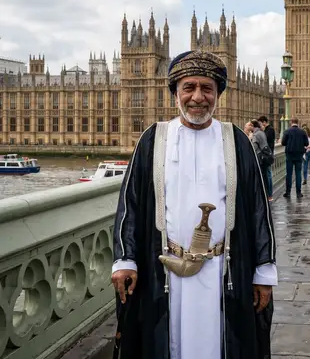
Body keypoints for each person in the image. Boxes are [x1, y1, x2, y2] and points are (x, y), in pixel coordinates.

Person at [111, 50, 276, 359]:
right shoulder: (153, 138)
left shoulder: (237, 140)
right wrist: (125, 259)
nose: (197, 97)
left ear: (217, 95)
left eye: (207, 88)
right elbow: (129, 205)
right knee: (167, 344)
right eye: (189, 87)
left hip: (222, 270)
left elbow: (258, 210)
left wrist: (263, 273)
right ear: (175, 92)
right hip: (166, 269)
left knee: (222, 344)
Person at [281, 118, 308, 199]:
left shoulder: (287, 131)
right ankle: (298, 193)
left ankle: (288, 192)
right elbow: (306, 143)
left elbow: (283, 143)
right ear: (297, 122)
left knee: (289, 174)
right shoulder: (302, 132)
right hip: (299, 154)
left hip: (289, 154)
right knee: (298, 173)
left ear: (291, 122)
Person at [249, 119, 274, 201]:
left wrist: (250, 139)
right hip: (267, 156)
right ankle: (269, 195)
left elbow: (254, 148)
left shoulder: (256, 134)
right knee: (267, 177)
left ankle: (265, 195)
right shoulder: (262, 132)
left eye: (249, 125)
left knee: (262, 177)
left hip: (261, 158)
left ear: (253, 126)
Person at [258, 115, 276, 200]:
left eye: (261, 123)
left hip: (268, 155)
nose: (260, 125)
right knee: (266, 174)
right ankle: (267, 194)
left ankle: (270, 195)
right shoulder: (268, 130)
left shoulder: (270, 130)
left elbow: (265, 141)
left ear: (264, 122)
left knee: (268, 174)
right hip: (266, 155)